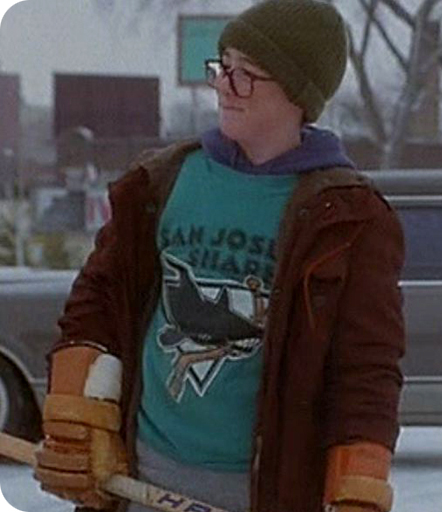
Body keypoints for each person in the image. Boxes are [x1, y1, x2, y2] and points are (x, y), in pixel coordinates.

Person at [32, 2, 405, 511]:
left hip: (264, 492)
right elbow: (97, 304)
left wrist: (355, 484)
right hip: (140, 476)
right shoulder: (159, 183)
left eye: (245, 74)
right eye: (223, 67)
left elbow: (365, 370)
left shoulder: (348, 219)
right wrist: (77, 417)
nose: (224, 86)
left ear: (297, 93)